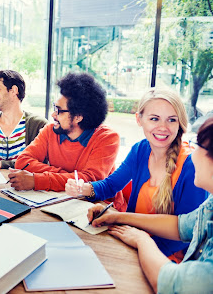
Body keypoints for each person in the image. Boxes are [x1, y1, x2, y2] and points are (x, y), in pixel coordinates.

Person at [66, 88, 208, 262]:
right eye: (154, 119)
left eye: (171, 120)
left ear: (180, 123)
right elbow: (111, 185)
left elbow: (185, 233)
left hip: (167, 259)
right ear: (139, 119)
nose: (163, 128)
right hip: (133, 243)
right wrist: (85, 189)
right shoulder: (140, 150)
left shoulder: (192, 166)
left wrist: (137, 249)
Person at [87, 117, 213, 293]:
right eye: (154, 118)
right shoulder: (211, 205)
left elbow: (172, 284)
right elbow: (180, 225)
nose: (194, 153)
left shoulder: (187, 164)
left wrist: (142, 240)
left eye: (199, 145)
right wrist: (117, 216)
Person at [9, 72, 121, 198]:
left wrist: (37, 180)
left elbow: (90, 181)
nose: (53, 115)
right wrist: (70, 175)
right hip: (59, 198)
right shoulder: (50, 130)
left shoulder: (107, 138)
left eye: (59, 111)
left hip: (99, 205)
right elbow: (23, 162)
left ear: (78, 117)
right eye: (54, 107)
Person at [0, 70, 47, 171]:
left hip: (25, 186)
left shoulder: (38, 125)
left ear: (14, 90)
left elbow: (38, 164)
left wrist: (2, 164)